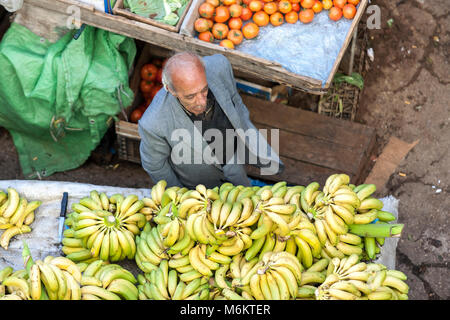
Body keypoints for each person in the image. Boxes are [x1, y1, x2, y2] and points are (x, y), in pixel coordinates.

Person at [138, 52, 284, 189]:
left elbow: (235, 100)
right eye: (190, 96)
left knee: (244, 189)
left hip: (232, 154)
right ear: (171, 90)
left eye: (204, 90)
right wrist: (182, 196)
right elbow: (155, 166)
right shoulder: (153, 123)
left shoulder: (219, 66)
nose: (202, 102)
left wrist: (244, 132)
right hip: (201, 181)